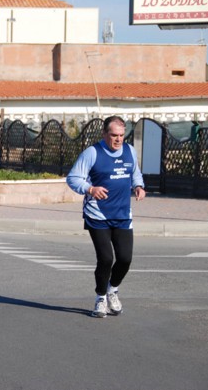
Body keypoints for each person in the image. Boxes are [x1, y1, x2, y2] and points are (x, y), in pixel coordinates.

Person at [66, 115, 145, 318]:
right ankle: (100, 298)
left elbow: (135, 172)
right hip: (97, 215)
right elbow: (73, 178)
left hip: (122, 214)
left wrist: (138, 186)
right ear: (104, 134)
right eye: (113, 135)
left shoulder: (129, 151)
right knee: (106, 258)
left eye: (121, 135)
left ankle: (112, 289)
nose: (118, 139)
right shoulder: (92, 153)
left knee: (125, 259)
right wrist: (90, 189)